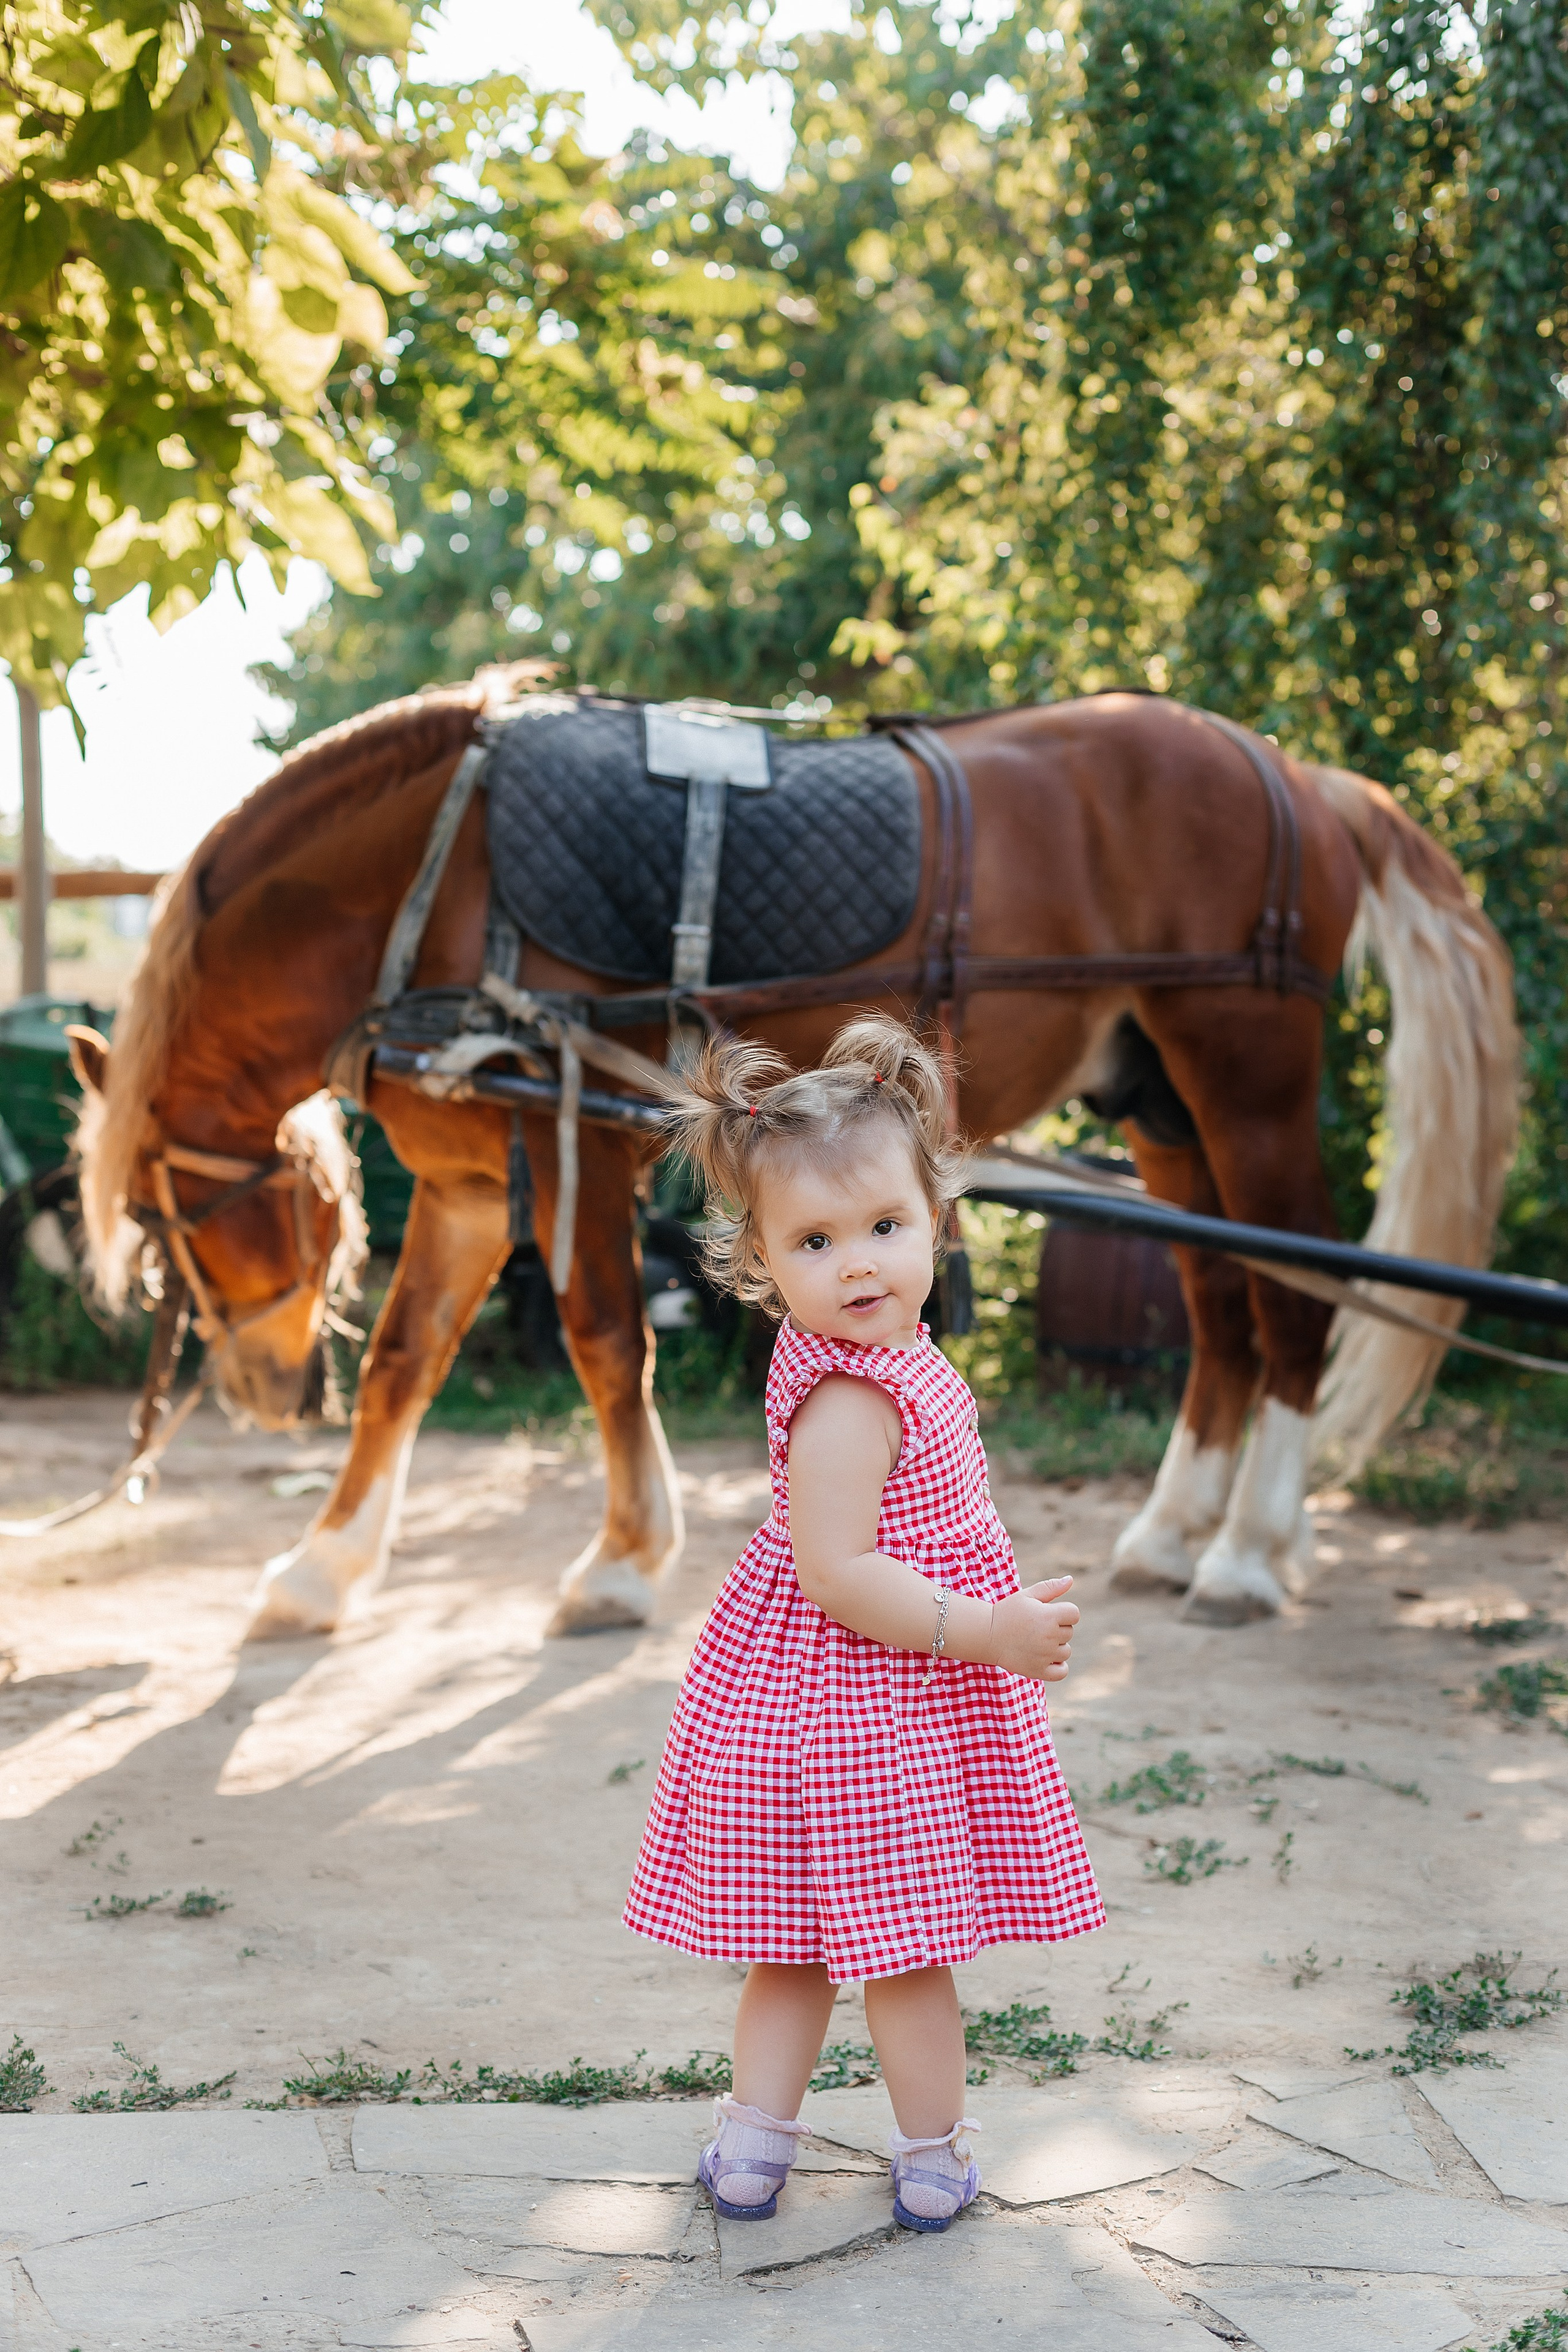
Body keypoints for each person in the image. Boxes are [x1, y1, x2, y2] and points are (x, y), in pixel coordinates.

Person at [623, 1016, 1103, 2232]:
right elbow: (838, 1573)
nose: (857, 1264)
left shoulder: (887, 1355)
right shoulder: (849, 1392)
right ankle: (928, 2151)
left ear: (934, 1217)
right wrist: (984, 1629)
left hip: (853, 1697)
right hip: (854, 1707)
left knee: (802, 1940)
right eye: (815, 1241)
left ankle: (751, 2149)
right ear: (760, 1260)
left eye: (883, 1228)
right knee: (892, 1950)